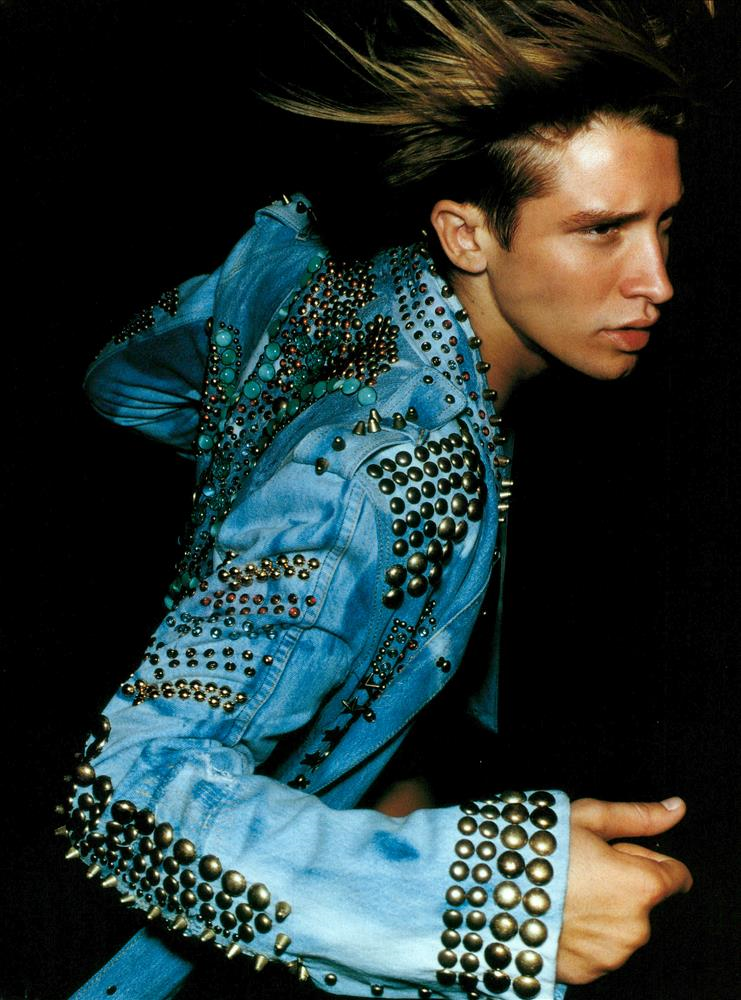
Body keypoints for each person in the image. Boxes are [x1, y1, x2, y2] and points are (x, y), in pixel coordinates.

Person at [59, 2, 713, 998]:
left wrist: (248, 471)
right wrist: (497, 896)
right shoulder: (376, 483)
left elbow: (128, 382)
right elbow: (126, 789)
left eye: (664, 224)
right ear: (466, 234)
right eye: (601, 232)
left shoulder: (326, 268)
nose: (656, 280)